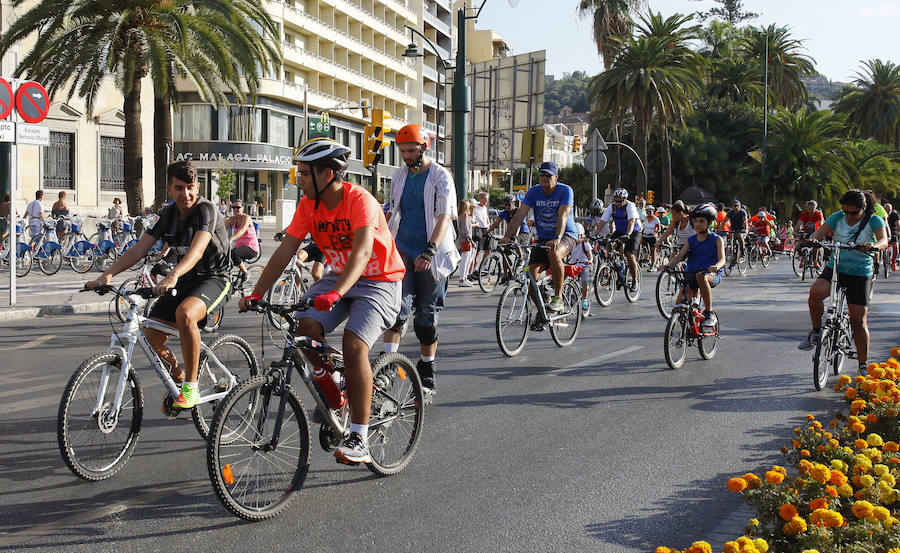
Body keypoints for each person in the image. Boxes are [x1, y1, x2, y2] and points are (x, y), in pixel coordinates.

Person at [242, 138, 404, 465]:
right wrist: (257, 293)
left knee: (354, 344)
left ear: (327, 174)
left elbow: (361, 253)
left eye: (304, 173)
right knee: (303, 327)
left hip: (380, 280)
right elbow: (286, 251)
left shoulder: (361, 201)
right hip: (338, 277)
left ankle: (359, 435)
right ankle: (335, 392)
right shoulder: (308, 206)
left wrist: (337, 291)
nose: (298, 179)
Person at [87, 160, 231, 409]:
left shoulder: (206, 211)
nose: (185, 194)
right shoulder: (168, 215)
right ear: (169, 188)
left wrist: (173, 274)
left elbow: (196, 252)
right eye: (179, 188)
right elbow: (138, 250)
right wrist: (107, 275)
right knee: (150, 337)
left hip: (214, 278)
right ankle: (179, 378)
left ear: (197, 186)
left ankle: (191, 388)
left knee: (185, 313)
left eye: (190, 187)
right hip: (184, 279)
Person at [381, 124, 459, 405]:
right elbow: (392, 210)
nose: (407, 156)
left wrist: (429, 251)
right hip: (402, 249)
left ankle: (426, 369)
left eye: (411, 151)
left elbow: (444, 217)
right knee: (395, 310)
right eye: (402, 151)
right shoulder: (399, 175)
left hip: (432, 254)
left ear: (424, 148)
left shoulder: (440, 176)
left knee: (426, 319)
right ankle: (389, 364)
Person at [798, 189, 888, 375]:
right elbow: (820, 232)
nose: (849, 216)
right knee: (815, 293)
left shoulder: (874, 220)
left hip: (860, 273)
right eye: (845, 211)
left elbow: (884, 241)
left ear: (863, 208)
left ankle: (862, 365)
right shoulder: (837, 217)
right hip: (836, 268)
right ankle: (816, 331)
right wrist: (813, 240)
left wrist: (873, 246)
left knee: (858, 320)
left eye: (853, 213)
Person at [500, 161, 577, 314]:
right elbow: (519, 216)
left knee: (554, 253)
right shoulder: (533, 192)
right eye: (541, 175)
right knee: (529, 278)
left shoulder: (565, 191)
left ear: (556, 177)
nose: (544, 178)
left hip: (565, 236)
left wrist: (557, 237)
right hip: (543, 239)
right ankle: (542, 312)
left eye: (548, 175)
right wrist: (506, 237)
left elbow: (563, 215)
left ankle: (558, 298)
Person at [660, 203, 726, 328]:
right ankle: (686, 328)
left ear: (710, 223)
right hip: (692, 273)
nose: (697, 224)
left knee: (701, 276)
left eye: (701, 221)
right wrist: (667, 266)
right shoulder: (691, 240)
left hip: (711, 274)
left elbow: (722, 259)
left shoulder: (717, 239)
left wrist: (716, 266)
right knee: (680, 303)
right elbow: (679, 257)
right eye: (695, 221)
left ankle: (709, 312)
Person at [594, 188, 643, 289]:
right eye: (616, 200)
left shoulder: (630, 206)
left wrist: (628, 234)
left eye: (620, 201)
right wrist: (595, 234)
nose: (618, 203)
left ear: (625, 199)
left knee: (629, 255)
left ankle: (635, 281)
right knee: (609, 244)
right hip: (620, 231)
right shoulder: (612, 207)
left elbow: (631, 221)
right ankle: (619, 267)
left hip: (634, 231)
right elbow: (602, 222)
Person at [225, 199, 259, 280]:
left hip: (251, 247)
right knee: (224, 257)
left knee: (233, 253)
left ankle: (246, 272)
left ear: (243, 208)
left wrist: (232, 238)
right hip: (239, 247)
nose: (235, 209)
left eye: (238, 207)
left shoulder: (247, 218)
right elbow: (221, 230)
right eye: (233, 208)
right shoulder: (232, 219)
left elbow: (242, 230)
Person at [567, 222, 593, 313]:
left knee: (584, 280)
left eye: (578, 235)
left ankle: (584, 300)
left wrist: (589, 261)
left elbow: (590, 256)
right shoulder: (571, 244)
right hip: (574, 265)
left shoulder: (585, 244)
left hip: (584, 265)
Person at [468, 191, 491, 281]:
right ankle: (474, 269)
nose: (486, 201)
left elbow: (486, 218)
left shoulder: (484, 208)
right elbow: (473, 218)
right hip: (478, 229)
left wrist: (488, 225)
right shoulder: (476, 207)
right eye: (485, 199)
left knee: (488, 249)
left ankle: (483, 267)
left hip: (485, 229)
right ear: (480, 199)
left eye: (487, 200)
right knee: (477, 251)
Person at [456, 198, 476, 287]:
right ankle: (462, 279)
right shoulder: (464, 215)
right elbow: (465, 230)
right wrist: (471, 241)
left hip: (463, 239)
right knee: (466, 260)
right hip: (466, 240)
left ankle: (464, 278)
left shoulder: (460, 215)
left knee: (466, 259)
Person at [641, 205, 661, 270]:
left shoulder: (656, 219)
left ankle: (652, 265)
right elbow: (640, 226)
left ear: (653, 211)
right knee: (641, 245)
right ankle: (645, 256)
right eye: (648, 211)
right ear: (646, 212)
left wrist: (655, 232)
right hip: (645, 235)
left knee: (653, 251)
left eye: (651, 211)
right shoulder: (644, 218)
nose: (650, 212)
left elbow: (659, 229)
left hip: (652, 236)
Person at [887, 202, 899, 271]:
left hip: (892, 233)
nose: (887, 210)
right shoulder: (882, 214)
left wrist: (899, 231)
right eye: (886, 209)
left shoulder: (894, 215)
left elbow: (898, 225)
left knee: (895, 246)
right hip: (884, 234)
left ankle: (893, 262)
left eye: (889, 209)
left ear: (891, 209)